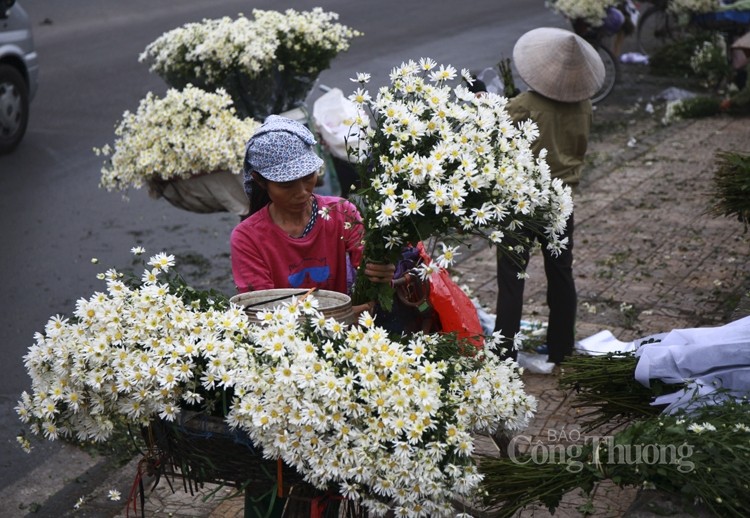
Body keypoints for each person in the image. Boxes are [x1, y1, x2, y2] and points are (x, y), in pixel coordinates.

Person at [494, 27, 605, 365]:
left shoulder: (525, 105)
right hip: (562, 200)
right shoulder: (584, 105)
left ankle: (504, 352)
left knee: (512, 278)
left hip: (523, 201)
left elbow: (497, 135)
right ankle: (561, 347)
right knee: (561, 273)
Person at [230, 115, 394, 314]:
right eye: (286, 184)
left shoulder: (342, 212)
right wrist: (338, 318)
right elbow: (263, 311)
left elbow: (369, 267)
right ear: (260, 181)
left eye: (308, 177)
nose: (302, 192)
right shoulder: (247, 238)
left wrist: (381, 273)